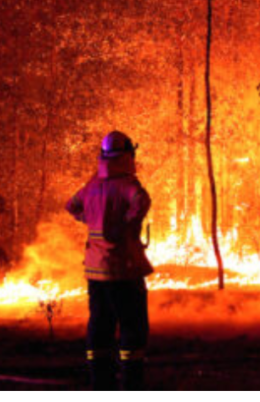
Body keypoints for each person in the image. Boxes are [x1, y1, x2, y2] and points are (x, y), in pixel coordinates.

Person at [66, 130, 153, 390]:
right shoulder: (127, 185)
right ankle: (131, 384)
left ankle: (100, 384)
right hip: (123, 270)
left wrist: (89, 220)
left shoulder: (91, 186)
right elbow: (141, 202)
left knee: (99, 326)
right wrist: (126, 225)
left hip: (95, 272)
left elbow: (71, 205)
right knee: (132, 326)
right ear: (127, 155)